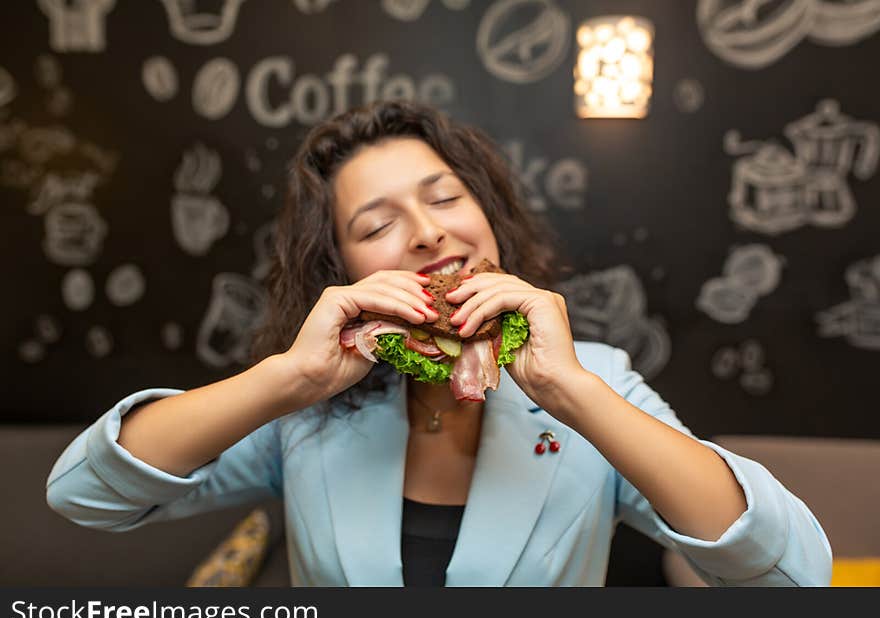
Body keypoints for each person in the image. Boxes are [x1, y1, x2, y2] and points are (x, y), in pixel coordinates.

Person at [46, 100, 832, 587]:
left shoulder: (597, 380)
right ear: (342, 269)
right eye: (377, 225)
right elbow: (84, 495)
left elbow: (793, 576)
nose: (427, 234)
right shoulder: (309, 409)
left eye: (446, 198)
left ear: (488, 218)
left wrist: (572, 393)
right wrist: (288, 377)